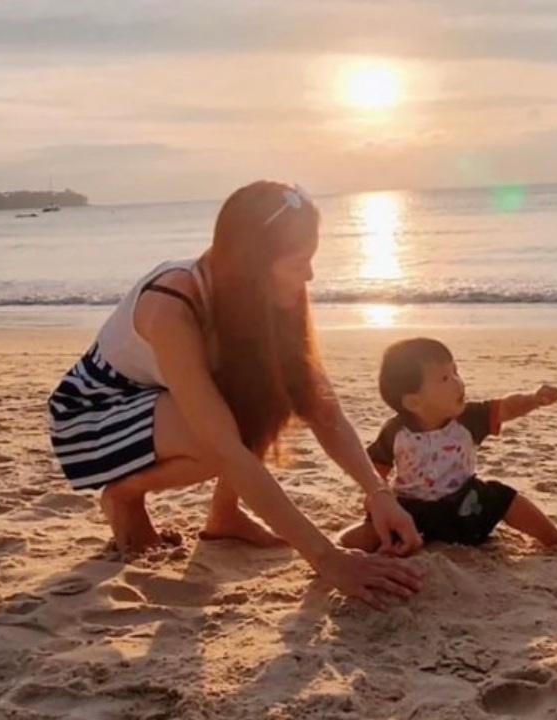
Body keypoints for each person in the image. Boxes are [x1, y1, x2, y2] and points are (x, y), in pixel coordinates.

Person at [46, 180, 424, 610]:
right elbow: (227, 449)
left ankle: (225, 517)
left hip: (159, 402)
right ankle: (124, 496)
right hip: (95, 410)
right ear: (252, 264)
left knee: (271, 392)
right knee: (220, 436)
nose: (310, 275)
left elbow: (324, 409)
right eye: (299, 262)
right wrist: (328, 559)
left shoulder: (264, 296)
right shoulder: (172, 304)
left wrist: (379, 494)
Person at [338, 338, 557, 555]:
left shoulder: (469, 418)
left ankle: (555, 537)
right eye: (445, 378)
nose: (458, 383)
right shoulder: (396, 431)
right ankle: (336, 549)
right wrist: (375, 496)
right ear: (414, 401)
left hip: (467, 504)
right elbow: (375, 466)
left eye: (456, 372)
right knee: (365, 534)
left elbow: (506, 407)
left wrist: (534, 399)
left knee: (505, 497)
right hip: (412, 510)